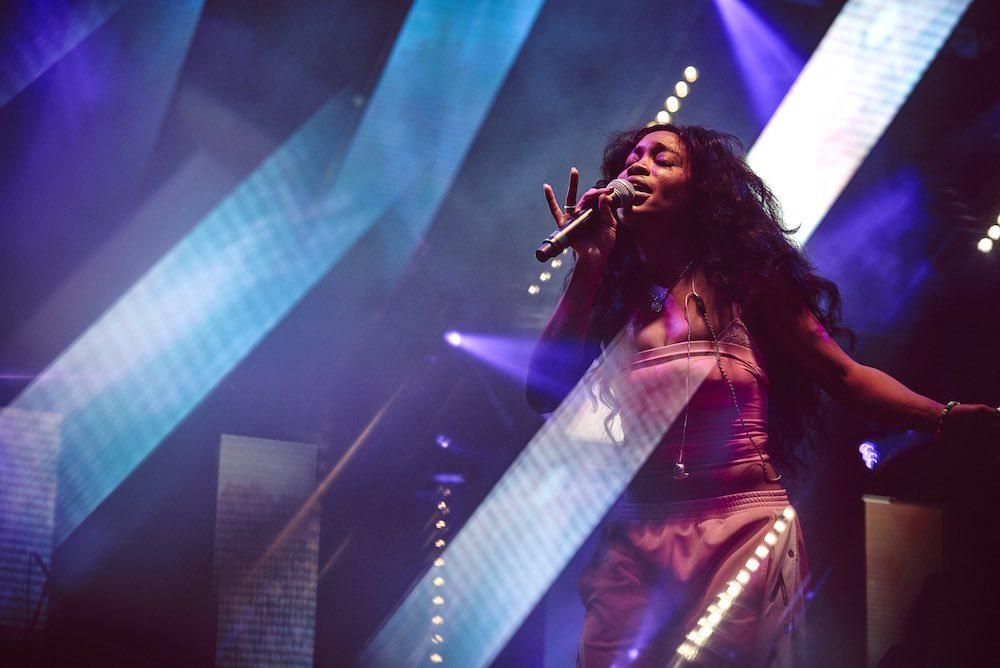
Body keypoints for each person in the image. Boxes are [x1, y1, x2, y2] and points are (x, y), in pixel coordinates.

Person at [525, 123, 1000, 667]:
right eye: (632, 159)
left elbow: (843, 375)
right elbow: (544, 391)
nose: (637, 167)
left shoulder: (745, 278)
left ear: (699, 190)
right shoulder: (611, 290)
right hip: (639, 535)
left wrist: (942, 417)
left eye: (662, 158)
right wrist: (588, 266)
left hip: (740, 529)